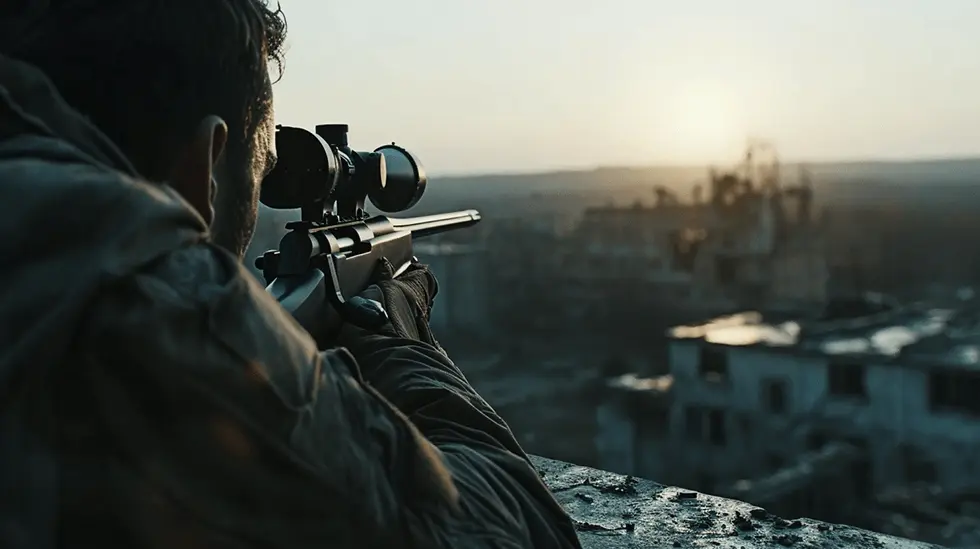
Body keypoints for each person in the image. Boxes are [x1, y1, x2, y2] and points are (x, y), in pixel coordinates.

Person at [0, 2, 582, 548]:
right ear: (203, 165)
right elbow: (519, 525)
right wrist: (397, 341)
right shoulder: (155, 306)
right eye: (261, 173)